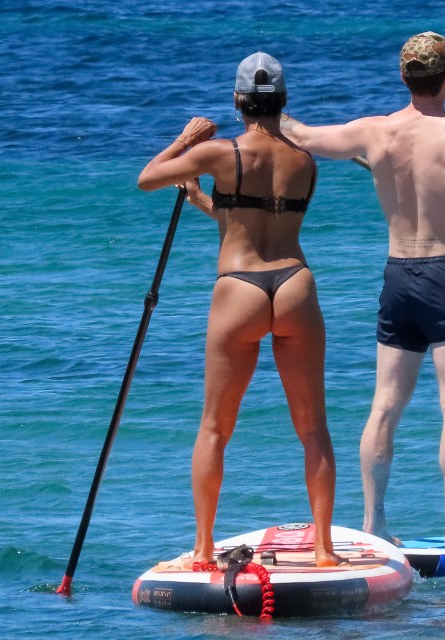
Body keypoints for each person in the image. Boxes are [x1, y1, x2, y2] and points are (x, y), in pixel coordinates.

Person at [281, 32, 445, 547]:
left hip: (398, 277)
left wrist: (265, 108)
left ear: (403, 78)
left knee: (385, 404)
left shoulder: (375, 132)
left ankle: (373, 526)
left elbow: (303, 136)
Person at [137, 52, 342, 567]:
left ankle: (204, 548)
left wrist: (187, 141)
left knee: (214, 427)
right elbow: (260, 221)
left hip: (239, 290)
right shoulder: (304, 160)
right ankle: (323, 549)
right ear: (284, 100)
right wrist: (202, 201)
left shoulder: (219, 151)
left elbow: (147, 177)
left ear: (237, 102)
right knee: (313, 426)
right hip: (295, 282)